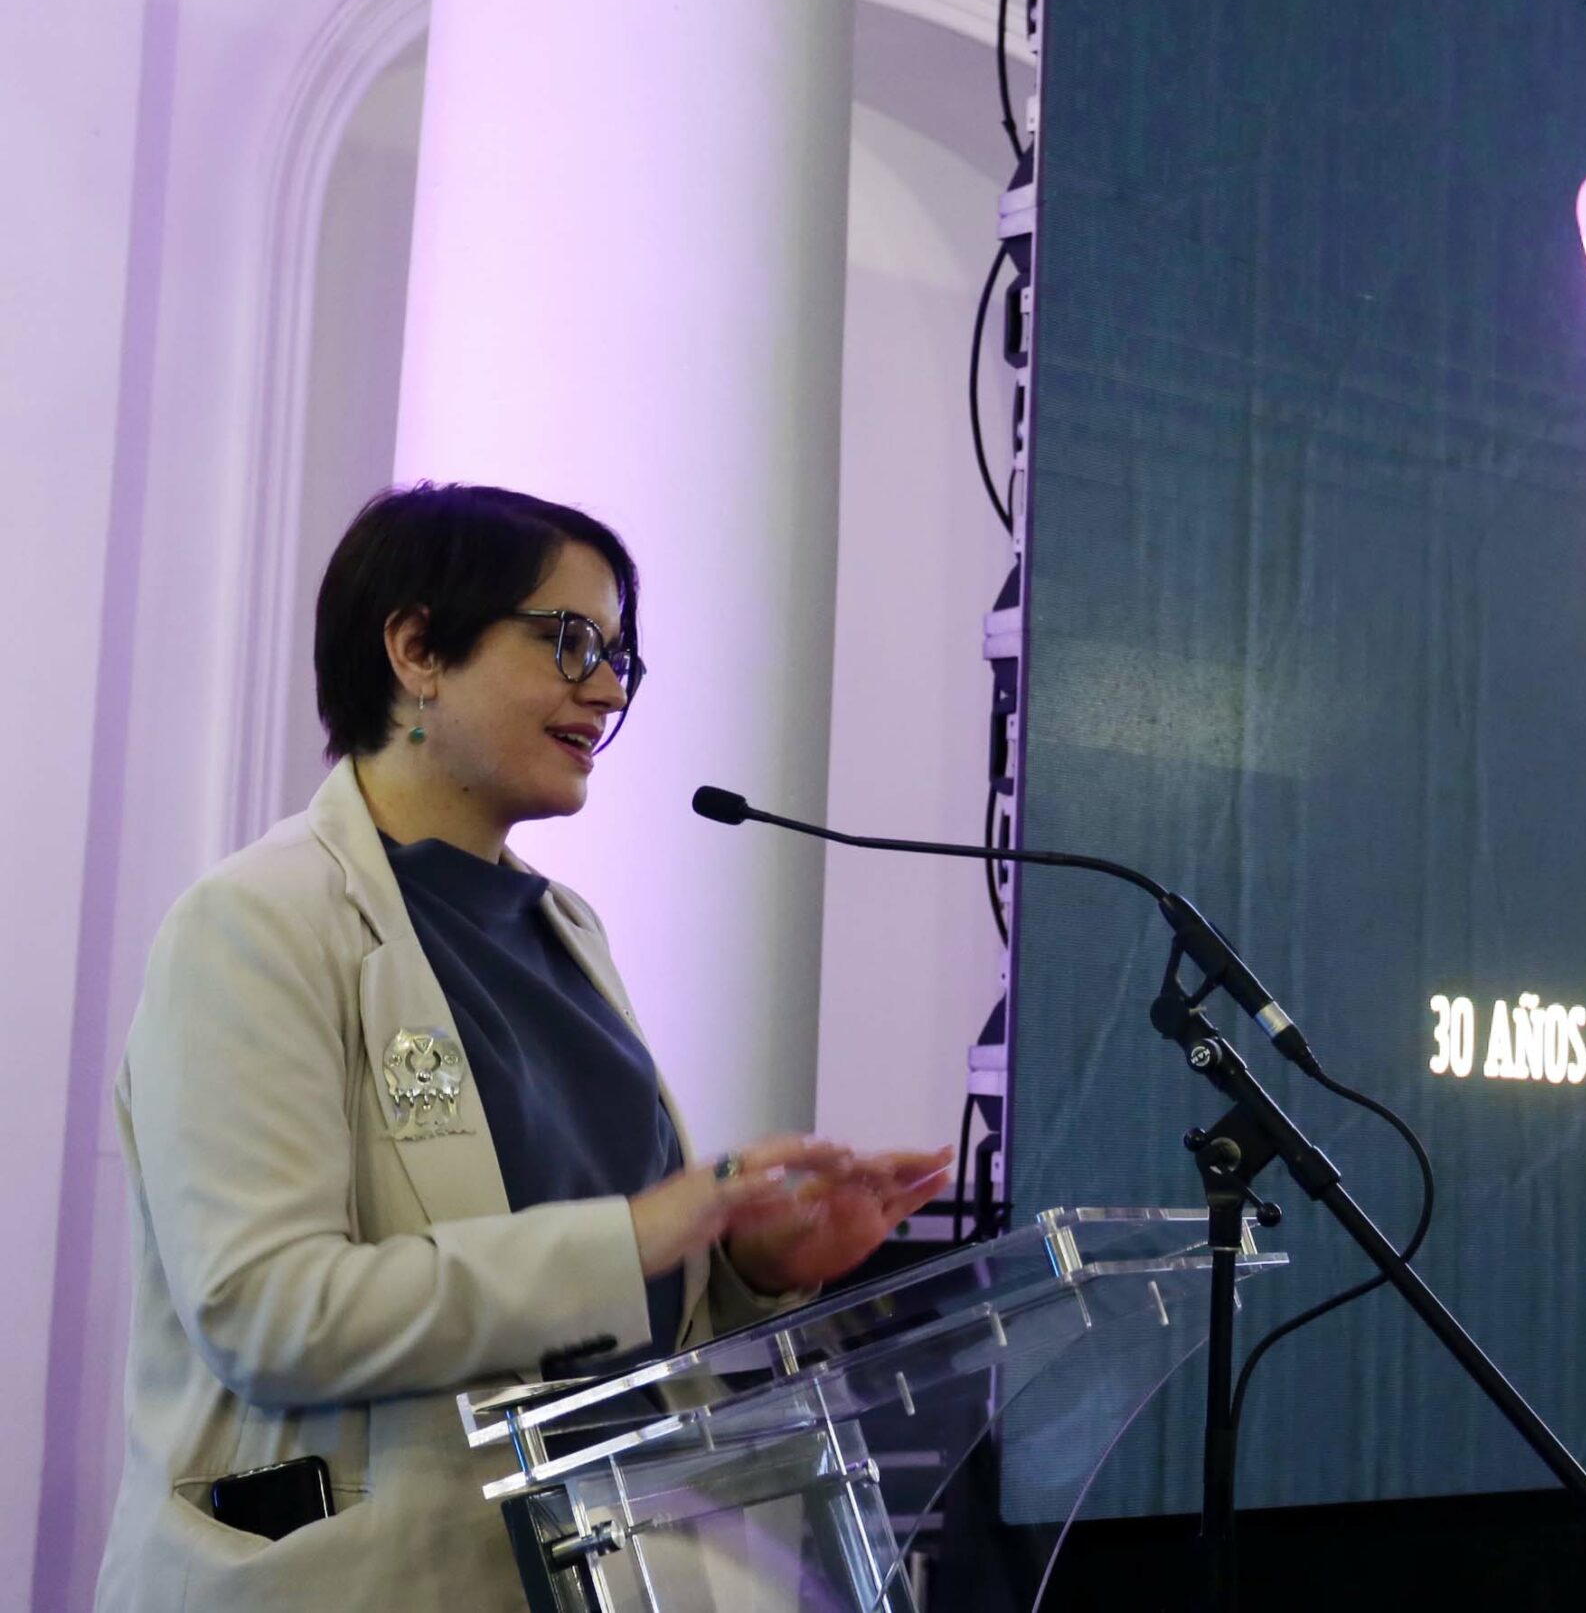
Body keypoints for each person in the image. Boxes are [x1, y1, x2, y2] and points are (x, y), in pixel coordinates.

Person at [93, 483, 951, 1611]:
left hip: (588, 1573)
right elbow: (271, 1311)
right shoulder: (256, 922)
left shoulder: (565, 931)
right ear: (416, 649)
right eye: (569, 641)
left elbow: (591, 1315)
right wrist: (639, 1234)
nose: (607, 689)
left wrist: (745, 1267)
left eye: (619, 658)